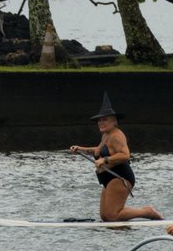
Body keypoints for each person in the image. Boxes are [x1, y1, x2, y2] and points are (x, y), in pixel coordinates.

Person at [68, 93, 161, 221]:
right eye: (99, 120)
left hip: (120, 177)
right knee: (105, 217)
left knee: (113, 215)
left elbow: (125, 155)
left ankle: (147, 211)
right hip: (108, 178)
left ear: (114, 121)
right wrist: (80, 149)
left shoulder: (117, 135)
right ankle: (124, 228)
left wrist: (105, 160)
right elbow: (98, 150)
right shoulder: (106, 135)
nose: (101, 122)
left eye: (105, 119)